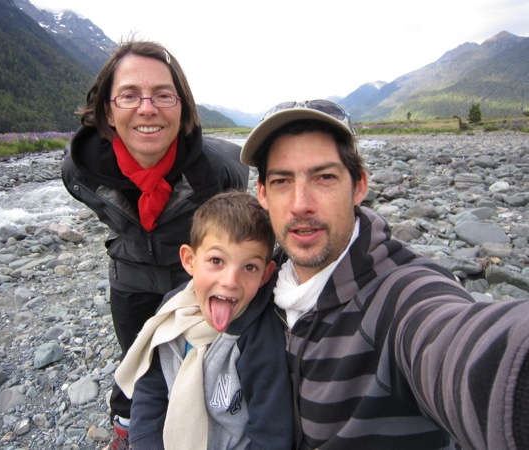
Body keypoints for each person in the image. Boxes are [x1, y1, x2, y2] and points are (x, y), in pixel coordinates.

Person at [239, 99, 529, 450]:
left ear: (359, 186)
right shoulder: (257, 280)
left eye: (324, 177)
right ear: (263, 194)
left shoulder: (399, 296)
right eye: (282, 181)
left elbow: (461, 348)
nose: (301, 204)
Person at [61, 40, 249, 449]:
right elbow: (108, 212)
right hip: (129, 275)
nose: (147, 108)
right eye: (129, 95)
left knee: (200, 364)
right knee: (136, 362)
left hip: (191, 278)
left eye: (164, 95)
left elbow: (239, 226)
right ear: (107, 112)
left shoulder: (219, 170)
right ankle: (127, 431)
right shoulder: (80, 169)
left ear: (183, 109)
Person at [114, 191, 293, 449]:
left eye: (249, 267)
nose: (230, 281)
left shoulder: (260, 338)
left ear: (265, 275)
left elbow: (271, 433)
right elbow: (150, 392)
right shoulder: (172, 312)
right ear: (190, 260)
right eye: (216, 261)